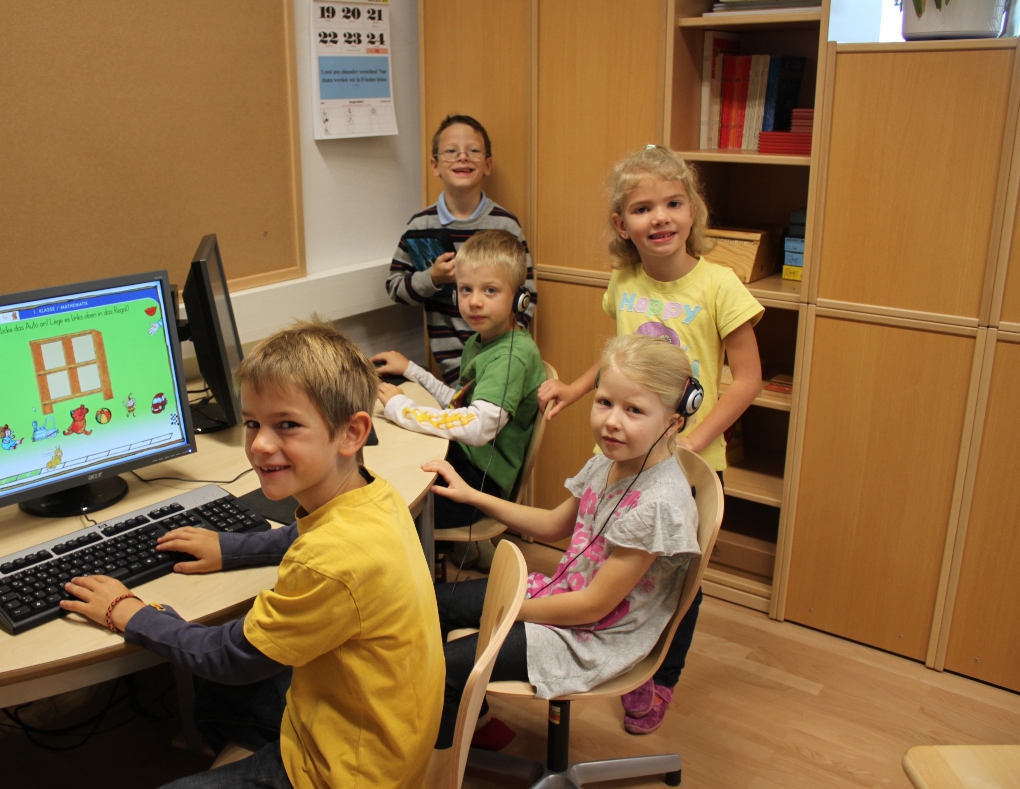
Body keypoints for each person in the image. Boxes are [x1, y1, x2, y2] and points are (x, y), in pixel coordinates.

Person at [59, 321, 444, 789]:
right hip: (387, 738)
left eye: (287, 425)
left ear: (351, 433)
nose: (260, 444)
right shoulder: (375, 495)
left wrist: (130, 612)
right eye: (253, 423)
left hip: (345, 776)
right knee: (219, 700)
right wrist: (229, 547)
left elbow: (229, 657)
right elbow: (303, 537)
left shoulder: (328, 561)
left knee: (221, 682)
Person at [538, 144, 764, 733]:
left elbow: (748, 380)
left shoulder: (720, 285)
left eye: (673, 203)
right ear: (622, 224)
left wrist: (695, 440)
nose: (659, 218)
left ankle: (660, 676)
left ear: (693, 212)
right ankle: (599, 641)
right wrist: (576, 388)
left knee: (675, 579)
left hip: (687, 461)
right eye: (642, 209)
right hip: (624, 451)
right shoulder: (624, 281)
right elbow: (619, 360)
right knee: (599, 552)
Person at [423, 334, 701, 756]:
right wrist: (473, 496)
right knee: (433, 605)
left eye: (634, 410)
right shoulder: (609, 460)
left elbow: (592, 607)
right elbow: (554, 525)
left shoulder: (659, 505)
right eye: (604, 402)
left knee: (444, 667)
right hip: (562, 597)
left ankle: (434, 771)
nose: (611, 421)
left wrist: (505, 611)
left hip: (591, 637)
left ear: (674, 421)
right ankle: (473, 726)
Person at [375, 230, 546, 568]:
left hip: (479, 488)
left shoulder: (511, 357)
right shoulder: (482, 341)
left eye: (490, 290)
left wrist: (401, 408)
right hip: (465, 464)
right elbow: (460, 404)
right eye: (466, 289)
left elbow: (476, 426)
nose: (474, 301)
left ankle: (414, 585)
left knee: (386, 504)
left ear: (519, 298)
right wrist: (412, 370)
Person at [385, 113, 537, 385]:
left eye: (474, 151)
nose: (463, 157)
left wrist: (507, 348)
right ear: (435, 165)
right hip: (447, 362)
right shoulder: (421, 225)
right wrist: (432, 278)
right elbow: (395, 287)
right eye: (451, 151)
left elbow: (527, 293)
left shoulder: (505, 224)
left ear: (487, 164)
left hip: (500, 357)